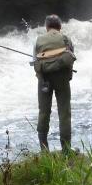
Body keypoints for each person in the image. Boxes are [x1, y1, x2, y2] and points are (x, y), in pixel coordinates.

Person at [33, 14, 76, 152]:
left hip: (44, 79)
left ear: (46, 27)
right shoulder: (66, 39)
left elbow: (35, 61)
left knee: (44, 112)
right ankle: (66, 149)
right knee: (64, 112)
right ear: (60, 26)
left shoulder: (38, 40)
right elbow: (71, 59)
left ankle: (44, 150)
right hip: (62, 78)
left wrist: (41, 78)